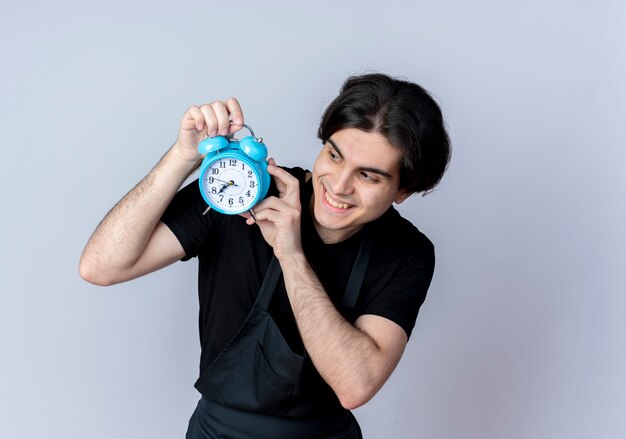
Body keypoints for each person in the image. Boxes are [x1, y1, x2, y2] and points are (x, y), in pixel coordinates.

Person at [79, 72, 451, 438]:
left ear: (404, 190)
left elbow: (355, 386)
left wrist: (291, 254)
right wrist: (182, 157)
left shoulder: (408, 252)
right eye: (334, 156)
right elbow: (101, 266)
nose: (339, 186)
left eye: (368, 176)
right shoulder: (240, 188)